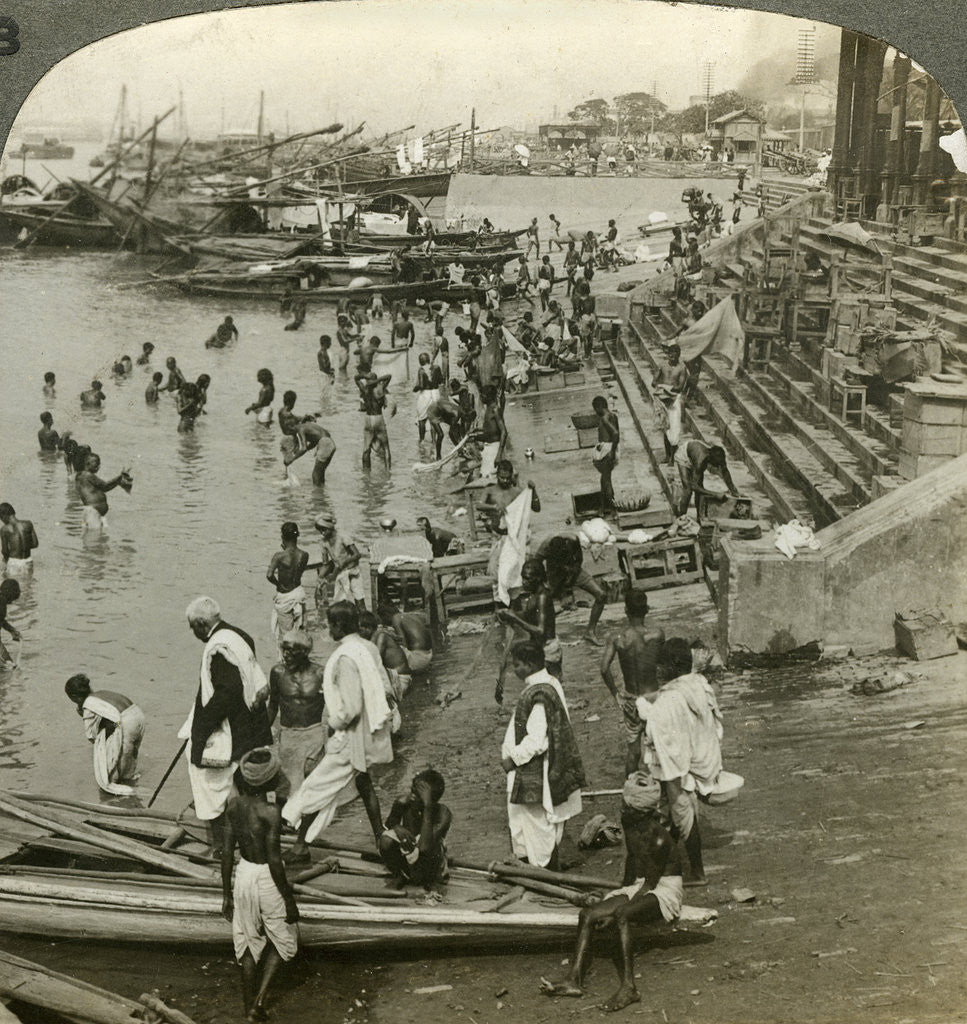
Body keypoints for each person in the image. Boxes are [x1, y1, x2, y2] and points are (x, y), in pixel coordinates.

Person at [539, 772, 683, 1010]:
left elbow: (651, 884)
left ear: (641, 811)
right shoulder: (629, 822)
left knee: (622, 916)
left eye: (627, 805)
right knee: (587, 915)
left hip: (664, 889)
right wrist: (618, 894)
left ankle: (629, 987)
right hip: (640, 883)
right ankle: (574, 979)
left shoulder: (658, 838)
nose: (622, 808)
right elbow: (633, 860)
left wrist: (618, 908)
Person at [282, 602, 394, 862]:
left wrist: (334, 724)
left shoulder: (345, 657)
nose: (328, 628)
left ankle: (299, 846)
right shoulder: (368, 648)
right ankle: (379, 837)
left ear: (339, 626)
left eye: (330, 624)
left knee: (316, 785)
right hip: (374, 733)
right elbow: (385, 688)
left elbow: (350, 708)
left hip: (353, 737)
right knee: (363, 783)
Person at [180, 596, 273, 855]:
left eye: (193, 627)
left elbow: (227, 692)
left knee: (205, 775)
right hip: (252, 721)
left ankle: (221, 846)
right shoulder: (237, 635)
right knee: (246, 781)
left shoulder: (217, 647)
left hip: (234, 726)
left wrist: (200, 729)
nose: (194, 633)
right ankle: (259, 832)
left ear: (200, 624)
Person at [635, 637, 724, 886]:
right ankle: (668, 857)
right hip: (701, 756)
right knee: (678, 813)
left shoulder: (670, 700)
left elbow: (659, 731)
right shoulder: (697, 683)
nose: (658, 669)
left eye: (662, 664)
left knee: (683, 812)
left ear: (673, 665)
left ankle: (697, 872)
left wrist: (645, 711)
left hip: (681, 763)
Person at [221, 747, 299, 1023]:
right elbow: (275, 862)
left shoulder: (233, 806)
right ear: (269, 781)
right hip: (266, 876)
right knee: (284, 939)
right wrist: (289, 899)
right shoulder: (271, 813)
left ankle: (247, 1009)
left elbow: (228, 853)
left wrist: (227, 896)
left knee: (247, 942)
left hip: (243, 874)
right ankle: (260, 1001)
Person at [500, 640, 585, 870]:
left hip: (533, 769)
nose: (514, 670)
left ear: (528, 665)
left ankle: (544, 871)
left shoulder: (539, 692)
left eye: (516, 665)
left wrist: (512, 758)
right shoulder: (549, 683)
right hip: (535, 768)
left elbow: (538, 740)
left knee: (537, 826)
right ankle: (534, 867)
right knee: (528, 825)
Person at [600, 588, 666, 775]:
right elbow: (662, 663)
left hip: (631, 699)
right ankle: (663, 791)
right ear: (647, 610)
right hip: (653, 697)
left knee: (633, 752)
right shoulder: (657, 635)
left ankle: (631, 792)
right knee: (660, 747)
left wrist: (616, 694)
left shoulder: (617, 638)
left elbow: (604, 669)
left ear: (626, 611)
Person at [267, 630, 326, 799]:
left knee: (313, 787)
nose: (286, 655)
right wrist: (261, 734)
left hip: (313, 735)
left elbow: (336, 707)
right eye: (284, 649)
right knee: (285, 791)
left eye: (291, 651)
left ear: (305, 652)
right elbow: (272, 706)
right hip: (288, 736)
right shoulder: (277, 672)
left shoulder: (320, 674)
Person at [64, 674, 145, 796]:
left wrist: (109, 733)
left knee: (115, 769)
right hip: (138, 715)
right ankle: (131, 783)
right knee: (130, 754)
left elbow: (91, 735)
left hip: (125, 723)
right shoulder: (101, 694)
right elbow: (111, 714)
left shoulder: (88, 705)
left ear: (74, 696)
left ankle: (126, 793)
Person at [378, 769, 452, 889]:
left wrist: (427, 807)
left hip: (430, 862)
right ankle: (401, 875)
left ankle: (426, 880)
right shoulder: (403, 802)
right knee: (385, 840)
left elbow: (424, 848)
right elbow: (389, 823)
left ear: (431, 800)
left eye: (418, 796)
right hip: (409, 852)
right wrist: (397, 828)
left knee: (430, 851)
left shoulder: (443, 814)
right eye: (412, 791)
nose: (412, 797)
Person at [495, 558, 555, 705]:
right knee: (541, 693)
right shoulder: (533, 595)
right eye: (523, 577)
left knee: (550, 694)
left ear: (538, 578)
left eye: (528, 579)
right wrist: (508, 615)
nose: (524, 582)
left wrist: (514, 617)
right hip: (540, 649)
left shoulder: (542, 597)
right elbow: (529, 617)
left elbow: (540, 630)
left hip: (548, 649)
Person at [536, 533, 607, 646]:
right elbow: (536, 563)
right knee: (544, 603)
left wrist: (571, 577)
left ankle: (590, 632)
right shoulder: (546, 545)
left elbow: (579, 560)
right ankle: (544, 637)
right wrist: (544, 584)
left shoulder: (573, 539)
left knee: (601, 595)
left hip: (573, 571)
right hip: (554, 573)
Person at [266, 522, 309, 654]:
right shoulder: (304, 555)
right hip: (298, 593)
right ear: (297, 537)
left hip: (285, 596)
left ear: (282, 537)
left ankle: (287, 664)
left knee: (286, 636)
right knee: (300, 632)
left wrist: (278, 584)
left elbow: (269, 575)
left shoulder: (279, 556)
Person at [310, 511, 364, 612]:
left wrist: (345, 561)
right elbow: (325, 564)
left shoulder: (343, 536)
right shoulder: (323, 542)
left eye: (324, 529)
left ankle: (364, 623)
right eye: (320, 530)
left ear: (330, 527)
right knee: (340, 603)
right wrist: (320, 578)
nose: (322, 533)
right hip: (340, 572)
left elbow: (357, 555)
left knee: (359, 600)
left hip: (353, 570)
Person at [674, 440, 738, 519]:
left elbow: (725, 471)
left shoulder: (719, 455)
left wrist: (733, 490)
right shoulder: (700, 461)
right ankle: (681, 517)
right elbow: (694, 486)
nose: (717, 468)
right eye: (715, 465)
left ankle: (699, 517)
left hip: (694, 453)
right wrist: (715, 494)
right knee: (688, 490)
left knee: (700, 486)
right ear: (709, 460)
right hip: (683, 456)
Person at [358, 609, 411, 704]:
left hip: (400, 680)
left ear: (368, 628)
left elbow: (373, 661)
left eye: (360, 631)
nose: (359, 634)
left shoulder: (381, 636)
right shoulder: (377, 635)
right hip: (395, 677)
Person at [478, 460, 541, 537]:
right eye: (502, 477)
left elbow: (536, 508)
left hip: (515, 531)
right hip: (496, 532)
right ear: (497, 475)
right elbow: (478, 506)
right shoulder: (489, 490)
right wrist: (494, 507)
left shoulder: (517, 491)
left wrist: (533, 491)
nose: (505, 480)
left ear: (511, 475)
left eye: (507, 478)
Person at [76, 454, 131, 532]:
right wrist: (119, 477)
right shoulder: (88, 475)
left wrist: (118, 481)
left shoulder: (83, 476)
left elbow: (105, 488)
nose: (98, 466)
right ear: (87, 463)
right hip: (92, 512)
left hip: (90, 511)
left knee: (94, 538)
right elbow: (105, 486)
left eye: (99, 464)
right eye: (96, 463)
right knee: (94, 538)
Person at [377, 601, 433, 677]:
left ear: (386, 616)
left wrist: (388, 633)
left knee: (384, 638)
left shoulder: (395, 618)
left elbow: (403, 644)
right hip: (428, 655)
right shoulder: (408, 615)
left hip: (417, 659)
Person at [652, 343, 688, 464]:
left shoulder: (682, 368)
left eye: (675, 354)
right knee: (665, 428)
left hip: (674, 400)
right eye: (670, 353)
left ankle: (673, 457)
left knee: (674, 428)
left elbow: (680, 387)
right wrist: (658, 382)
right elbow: (654, 382)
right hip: (662, 399)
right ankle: (668, 456)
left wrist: (666, 388)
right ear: (668, 354)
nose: (672, 356)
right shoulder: (662, 365)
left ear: (679, 355)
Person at [356, 371, 392, 469]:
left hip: (368, 418)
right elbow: (389, 376)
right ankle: (388, 472)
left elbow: (356, 378)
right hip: (378, 417)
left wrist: (364, 375)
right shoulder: (380, 388)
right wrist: (378, 380)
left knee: (366, 448)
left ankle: (366, 474)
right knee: (386, 448)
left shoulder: (364, 389)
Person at [591, 396, 619, 514]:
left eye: (595, 409)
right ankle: (602, 507)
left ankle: (613, 508)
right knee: (604, 480)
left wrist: (611, 451)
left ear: (599, 407)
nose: (595, 412)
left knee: (606, 481)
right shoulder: (613, 416)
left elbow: (615, 433)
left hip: (607, 451)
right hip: (611, 449)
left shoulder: (605, 419)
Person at [0, 503, 39, 575]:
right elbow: (35, 544)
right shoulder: (28, 524)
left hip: (14, 563)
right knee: (27, 585)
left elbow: (5, 551)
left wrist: (5, 564)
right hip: (28, 561)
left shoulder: (4, 529)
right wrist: (22, 545)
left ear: (3, 516)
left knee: (10, 583)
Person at [413, 352, 443, 442]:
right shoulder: (437, 367)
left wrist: (415, 389)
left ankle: (421, 440)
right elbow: (441, 381)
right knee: (433, 418)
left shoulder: (421, 370)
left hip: (425, 395)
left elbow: (421, 386)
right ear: (429, 360)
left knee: (422, 419)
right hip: (436, 393)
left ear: (420, 362)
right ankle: (434, 440)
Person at [0, 579, 21, 666]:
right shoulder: (2, 602)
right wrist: (7, 660)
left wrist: (11, 630)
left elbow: (0, 620)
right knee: (8, 666)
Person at [317, 335, 335, 405]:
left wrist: (332, 372)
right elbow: (324, 367)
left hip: (326, 374)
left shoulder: (325, 352)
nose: (331, 344)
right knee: (324, 394)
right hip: (323, 375)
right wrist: (330, 359)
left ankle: (326, 409)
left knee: (327, 394)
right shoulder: (321, 353)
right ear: (325, 343)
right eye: (329, 342)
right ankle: (324, 409)